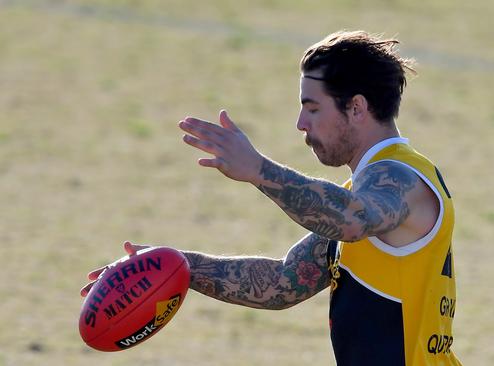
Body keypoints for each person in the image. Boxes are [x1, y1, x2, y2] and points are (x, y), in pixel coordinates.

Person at [81, 30, 462, 365]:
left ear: (357, 107)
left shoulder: (400, 177)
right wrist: (175, 266)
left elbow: (352, 220)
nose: (300, 123)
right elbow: (283, 282)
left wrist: (258, 170)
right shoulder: (362, 194)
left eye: (312, 107)